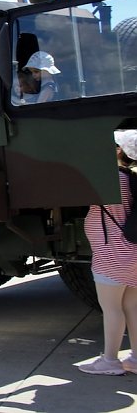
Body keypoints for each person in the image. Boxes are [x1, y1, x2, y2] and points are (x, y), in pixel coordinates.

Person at [78, 129, 137, 375]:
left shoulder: (111, 178)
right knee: (132, 306)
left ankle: (110, 360)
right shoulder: (133, 178)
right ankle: (135, 358)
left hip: (111, 253)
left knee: (111, 308)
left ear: (121, 151)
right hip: (132, 252)